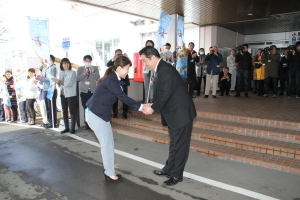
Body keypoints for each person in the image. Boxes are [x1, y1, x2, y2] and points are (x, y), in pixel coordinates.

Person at [140, 46, 196, 186]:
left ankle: (177, 175)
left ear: (152, 57)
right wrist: (152, 104)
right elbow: (162, 93)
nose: (144, 64)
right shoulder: (160, 69)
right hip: (173, 113)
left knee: (180, 145)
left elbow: (165, 94)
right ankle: (169, 168)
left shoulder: (165, 69)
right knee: (174, 143)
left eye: (145, 60)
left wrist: (153, 108)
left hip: (181, 113)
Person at [86, 56, 143, 183]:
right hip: (96, 115)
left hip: (99, 114)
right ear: (119, 68)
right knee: (107, 145)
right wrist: (142, 107)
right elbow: (123, 97)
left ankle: (108, 170)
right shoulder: (112, 80)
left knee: (109, 144)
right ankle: (109, 173)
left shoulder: (114, 79)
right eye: (127, 69)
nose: (128, 71)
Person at [52, 58, 77, 134]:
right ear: (61, 65)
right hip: (63, 95)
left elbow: (68, 83)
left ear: (69, 64)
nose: (65, 65)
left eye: (67, 63)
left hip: (71, 95)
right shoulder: (61, 73)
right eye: (64, 63)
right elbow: (60, 85)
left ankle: (72, 128)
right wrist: (58, 82)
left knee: (72, 112)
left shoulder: (72, 72)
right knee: (64, 111)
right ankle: (66, 127)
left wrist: (59, 81)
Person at [76, 55, 100, 130]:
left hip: (93, 91)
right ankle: (87, 124)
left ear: (91, 61)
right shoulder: (80, 68)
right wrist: (84, 73)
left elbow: (97, 77)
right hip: (84, 91)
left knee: (93, 107)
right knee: (86, 108)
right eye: (86, 61)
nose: (88, 62)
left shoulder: (94, 68)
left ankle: (94, 124)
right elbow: (78, 78)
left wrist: (94, 71)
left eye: (89, 61)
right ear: (84, 61)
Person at [107, 49, 130, 119]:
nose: (119, 56)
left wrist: (127, 58)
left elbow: (129, 65)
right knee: (114, 99)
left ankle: (125, 114)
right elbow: (107, 65)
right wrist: (113, 58)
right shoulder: (113, 62)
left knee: (124, 98)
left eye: (120, 54)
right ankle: (115, 114)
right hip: (115, 82)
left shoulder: (124, 60)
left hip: (123, 82)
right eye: (118, 54)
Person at [37, 54, 58, 128]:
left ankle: (53, 122)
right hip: (45, 89)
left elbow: (51, 79)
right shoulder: (43, 69)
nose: (48, 61)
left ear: (53, 60)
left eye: (50, 59)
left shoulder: (53, 68)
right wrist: (40, 79)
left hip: (51, 90)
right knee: (47, 107)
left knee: (52, 107)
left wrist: (42, 79)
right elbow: (43, 79)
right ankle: (49, 121)